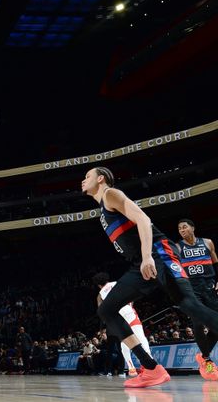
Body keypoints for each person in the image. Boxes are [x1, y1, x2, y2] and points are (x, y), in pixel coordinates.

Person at [82, 166, 218, 388]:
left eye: (87, 176)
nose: (83, 181)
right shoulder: (102, 208)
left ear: (101, 179)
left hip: (158, 253)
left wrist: (147, 257)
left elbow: (143, 219)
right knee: (106, 309)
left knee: (190, 305)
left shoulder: (110, 194)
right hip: (140, 263)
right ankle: (152, 369)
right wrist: (142, 259)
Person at [177, 218, 218, 380]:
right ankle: (207, 360)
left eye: (185, 227)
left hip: (209, 287)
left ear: (193, 228)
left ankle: (203, 354)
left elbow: (216, 263)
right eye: (179, 228)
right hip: (192, 289)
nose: (182, 230)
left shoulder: (208, 243)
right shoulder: (178, 247)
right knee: (198, 323)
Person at [93, 272, 149, 377]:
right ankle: (148, 366)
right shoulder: (117, 283)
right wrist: (130, 305)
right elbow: (131, 295)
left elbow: (102, 312)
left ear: (98, 285)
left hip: (119, 317)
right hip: (128, 312)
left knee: (126, 342)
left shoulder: (100, 295)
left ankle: (131, 368)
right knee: (141, 338)